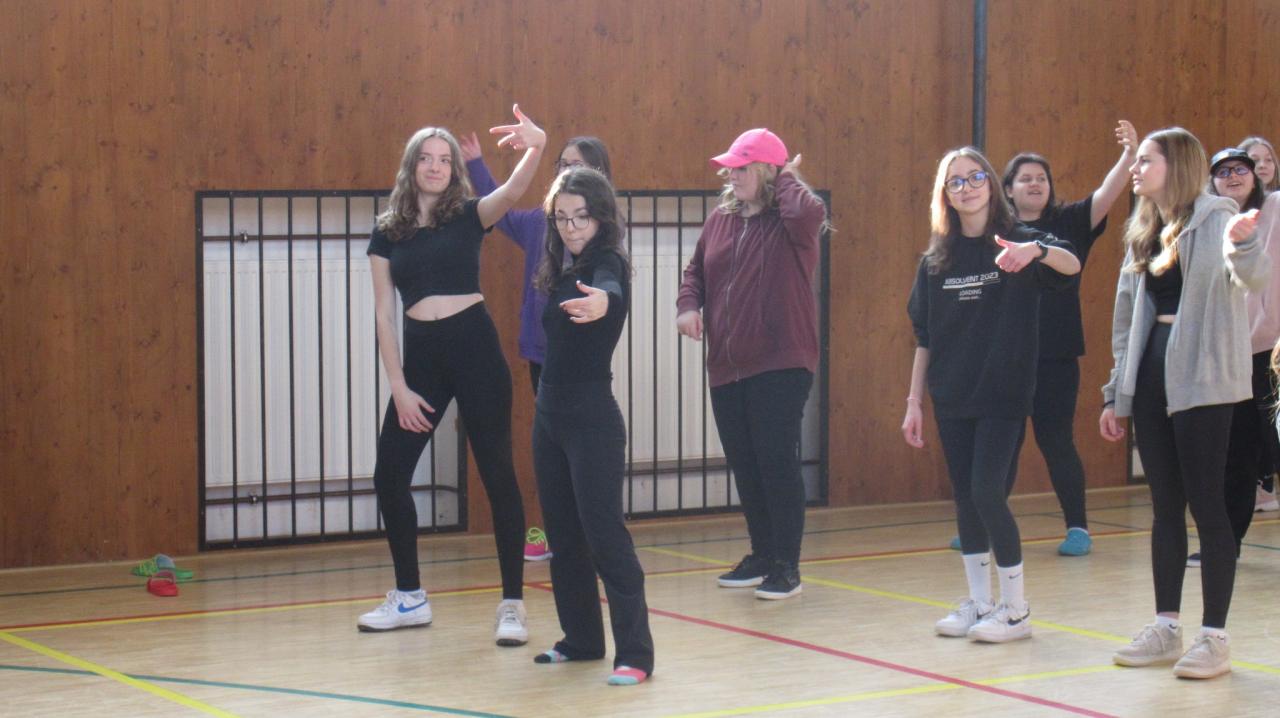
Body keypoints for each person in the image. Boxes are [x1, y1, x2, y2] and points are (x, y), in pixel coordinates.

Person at [357, 106, 545, 646]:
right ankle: (409, 597)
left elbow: (512, 192)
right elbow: (383, 315)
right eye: (427, 158)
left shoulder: (468, 214)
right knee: (390, 473)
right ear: (412, 166)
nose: (436, 166)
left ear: (453, 169)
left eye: (445, 159)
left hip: (474, 349)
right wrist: (398, 385)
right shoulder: (387, 232)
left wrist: (537, 144)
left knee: (497, 474)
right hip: (420, 361)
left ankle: (512, 605)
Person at [1100, 128, 1268, 679]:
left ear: (1176, 165)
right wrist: (1116, 392)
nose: (1136, 168)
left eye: (1146, 160)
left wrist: (1245, 242)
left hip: (1204, 379)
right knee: (1165, 507)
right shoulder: (1144, 229)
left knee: (1208, 505)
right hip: (1152, 374)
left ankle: (1214, 637)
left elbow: (1252, 276)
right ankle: (1166, 627)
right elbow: (1126, 317)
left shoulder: (1219, 216)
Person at [902, 147, 1081, 644]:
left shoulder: (1020, 240)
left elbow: (1071, 265)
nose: (966, 187)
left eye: (975, 177)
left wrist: (1037, 251)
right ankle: (980, 603)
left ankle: (1017, 610)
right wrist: (914, 402)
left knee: (987, 491)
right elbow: (925, 337)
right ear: (945, 194)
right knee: (965, 496)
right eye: (955, 181)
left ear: (991, 183)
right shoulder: (936, 260)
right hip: (952, 394)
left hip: (1004, 393)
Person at [676, 128, 827, 600]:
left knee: (776, 462)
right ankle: (762, 553)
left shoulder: (793, 219)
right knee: (746, 464)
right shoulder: (721, 219)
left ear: (766, 170)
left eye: (742, 168)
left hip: (781, 360)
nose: (731, 175)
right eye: (730, 168)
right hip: (727, 364)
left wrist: (786, 178)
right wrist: (688, 306)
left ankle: (786, 565)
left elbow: (810, 212)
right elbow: (695, 271)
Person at [978, 120, 1138, 557]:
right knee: (1003, 442)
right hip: (1006, 357)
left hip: (1055, 357)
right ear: (1008, 190)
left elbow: (1107, 194)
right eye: (1025, 178)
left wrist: (1128, 157)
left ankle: (1078, 528)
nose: (1035, 184)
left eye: (1041, 178)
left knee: (1056, 440)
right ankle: (983, 525)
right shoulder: (994, 229)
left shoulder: (1068, 223)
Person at [459, 134, 615, 563]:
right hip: (542, 355)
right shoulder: (539, 224)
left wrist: (607, 299)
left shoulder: (603, 238)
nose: (566, 170)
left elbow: (612, 281)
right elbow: (502, 210)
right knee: (553, 450)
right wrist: (476, 165)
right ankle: (559, 532)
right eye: (561, 164)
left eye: (577, 164)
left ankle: (587, 536)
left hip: (580, 361)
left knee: (584, 451)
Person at [530, 167, 654, 686]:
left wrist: (604, 300)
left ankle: (636, 654)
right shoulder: (562, 266)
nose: (571, 227)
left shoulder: (607, 262)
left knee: (605, 535)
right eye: (561, 218)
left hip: (591, 421)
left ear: (600, 217)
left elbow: (610, 290)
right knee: (564, 536)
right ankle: (581, 639)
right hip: (549, 418)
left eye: (580, 217)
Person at [1186, 149, 1280, 567]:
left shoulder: (1275, 208)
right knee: (1236, 457)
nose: (1233, 176)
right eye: (1223, 171)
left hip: (1274, 355)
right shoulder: (1208, 223)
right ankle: (1225, 547)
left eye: (1241, 168)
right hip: (1231, 358)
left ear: (1258, 176)